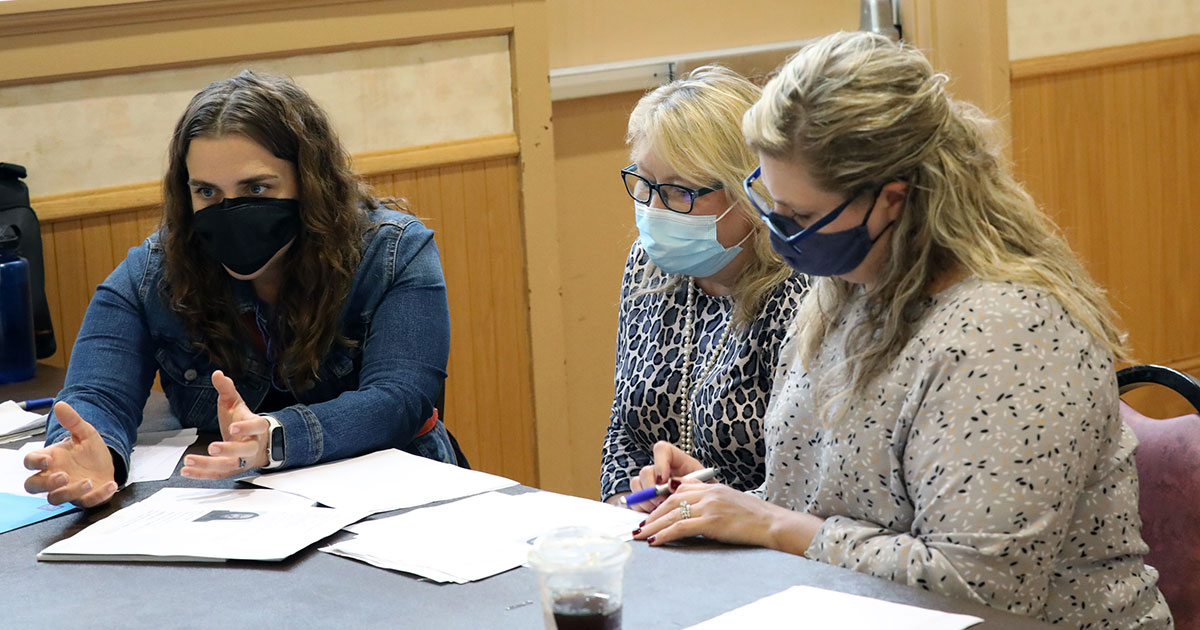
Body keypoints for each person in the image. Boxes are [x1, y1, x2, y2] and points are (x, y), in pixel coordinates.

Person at [633, 32, 1172, 627]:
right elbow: (817, 508)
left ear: (894, 199)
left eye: (803, 215)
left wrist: (770, 524)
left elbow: (979, 590)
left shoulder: (1010, 334)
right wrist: (719, 504)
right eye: (772, 203)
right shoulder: (846, 286)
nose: (781, 232)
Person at [23, 70, 456, 508]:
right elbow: (96, 394)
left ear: (310, 183)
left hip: (393, 494)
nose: (230, 211)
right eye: (207, 192)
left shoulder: (395, 252)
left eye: (256, 188)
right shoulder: (155, 271)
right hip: (234, 505)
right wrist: (93, 453)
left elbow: (400, 398)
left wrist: (274, 438)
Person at [601, 66, 807, 510]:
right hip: (666, 537)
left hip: (764, 548)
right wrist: (627, 500)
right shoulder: (649, 266)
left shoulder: (802, 292)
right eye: (645, 183)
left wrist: (713, 507)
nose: (655, 210)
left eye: (680, 192)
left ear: (752, 193)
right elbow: (623, 428)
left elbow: (810, 488)